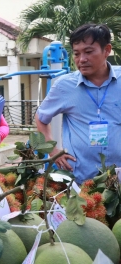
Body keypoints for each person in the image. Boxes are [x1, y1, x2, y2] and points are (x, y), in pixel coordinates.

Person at [36, 23, 121, 184]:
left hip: (118, 179)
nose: (82, 59)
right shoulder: (64, 86)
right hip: (80, 180)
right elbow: (41, 118)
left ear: (107, 50)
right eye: (76, 54)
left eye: (88, 52)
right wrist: (52, 150)